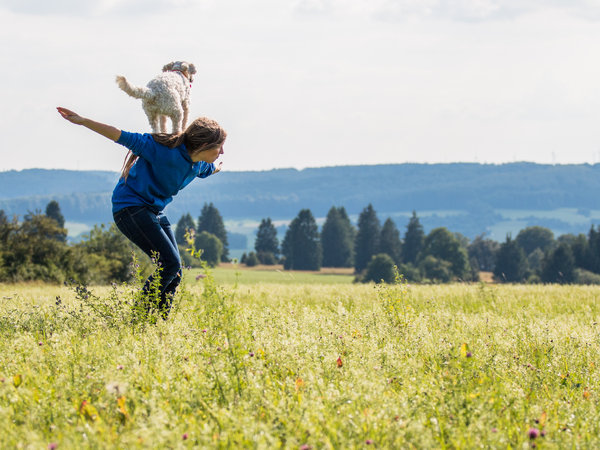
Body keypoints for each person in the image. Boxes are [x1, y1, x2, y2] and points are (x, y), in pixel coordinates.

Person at [57, 106, 226, 318]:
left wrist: (218, 167)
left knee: (175, 272)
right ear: (203, 145)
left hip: (152, 210)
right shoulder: (162, 150)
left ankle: (159, 321)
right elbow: (119, 135)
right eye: (219, 147)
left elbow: (212, 169)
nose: (221, 152)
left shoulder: (200, 165)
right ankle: (138, 318)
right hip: (129, 208)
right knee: (170, 264)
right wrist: (83, 120)